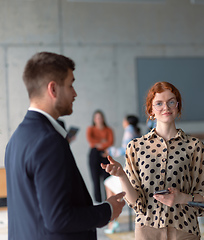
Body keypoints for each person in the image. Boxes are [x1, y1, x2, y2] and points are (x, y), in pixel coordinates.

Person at [4, 51, 125, 240]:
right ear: (53, 89)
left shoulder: (16, 139)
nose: (75, 93)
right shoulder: (48, 141)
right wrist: (108, 210)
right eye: (71, 85)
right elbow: (58, 218)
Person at [101, 81, 204, 240]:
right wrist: (122, 175)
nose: (166, 108)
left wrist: (182, 198)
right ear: (150, 110)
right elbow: (136, 203)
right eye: (159, 103)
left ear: (178, 106)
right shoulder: (136, 147)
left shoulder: (194, 146)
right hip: (147, 230)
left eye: (171, 102)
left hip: (184, 230)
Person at [103, 115, 141, 234]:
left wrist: (110, 151)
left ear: (127, 122)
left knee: (108, 183)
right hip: (137, 170)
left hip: (129, 170)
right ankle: (113, 220)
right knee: (113, 188)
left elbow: (126, 149)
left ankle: (112, 220)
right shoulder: (136, 131)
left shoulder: (129, 130)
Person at [86, 110, 114, 202]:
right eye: (97, 118)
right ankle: (98, 203)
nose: (99, 119)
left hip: (105, 154)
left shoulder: (108, 129)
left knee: (107, 180)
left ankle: (108, 202)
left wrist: (100, 144)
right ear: (94, 119)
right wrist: (103, 142)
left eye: (100, 117)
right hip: (94, 155)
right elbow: (91, 141)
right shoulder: (91, 129)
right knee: (95, 180)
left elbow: (110, 142)